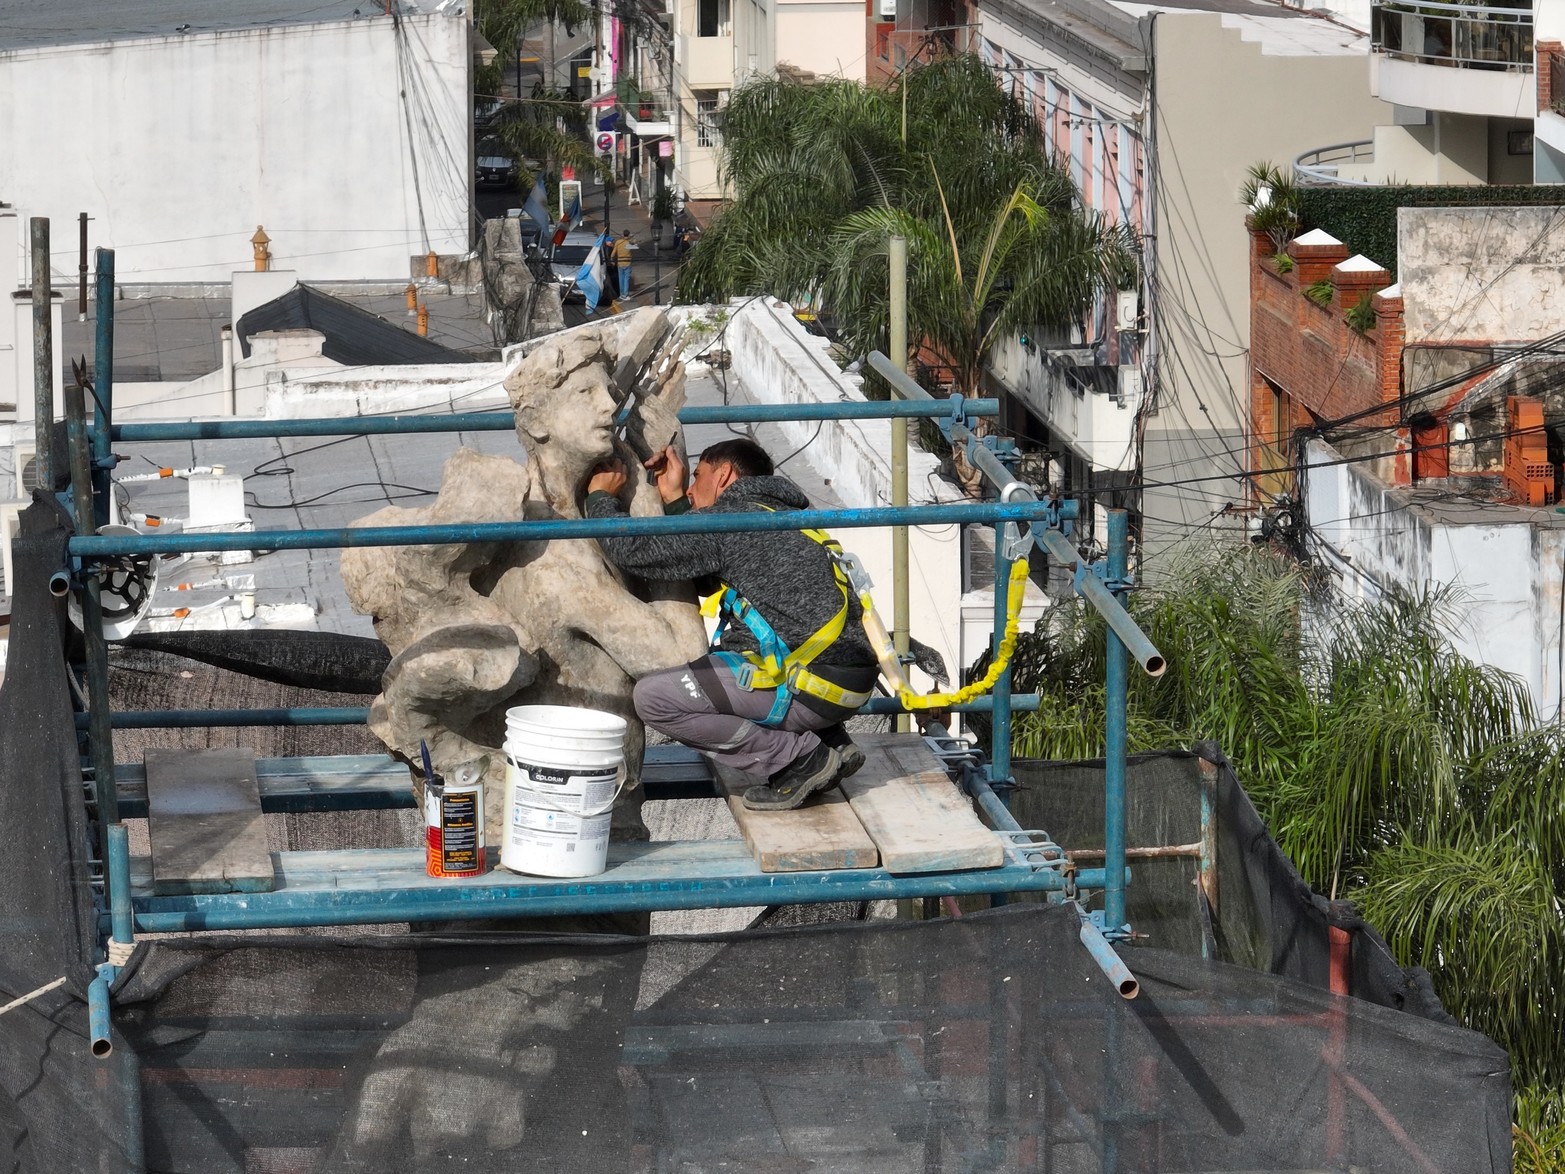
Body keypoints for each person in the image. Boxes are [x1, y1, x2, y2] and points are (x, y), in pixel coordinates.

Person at [585, 437, 879, 811]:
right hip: (843, 688)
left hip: (808, 688)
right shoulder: (783, 517)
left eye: (698, 476)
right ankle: (829, 741)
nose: (690, 489)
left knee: (654, 698)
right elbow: (701, 569)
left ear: (723, 475)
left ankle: (798, 761)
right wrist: (674, 498)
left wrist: (601, 496)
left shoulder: (731, 520)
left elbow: (636, 551)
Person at [610, 230, 634, 300]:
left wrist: (612, 259)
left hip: (620, 262)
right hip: (627, 262)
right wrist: (631, 237)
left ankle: (621, 294)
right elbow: (635, 244)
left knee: (621, 279)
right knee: (626, 279)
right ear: (628, 235)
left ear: (623, 234)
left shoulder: (618, 242)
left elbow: (613, 252)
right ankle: (625, 295)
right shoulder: (629, 243)